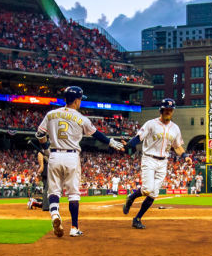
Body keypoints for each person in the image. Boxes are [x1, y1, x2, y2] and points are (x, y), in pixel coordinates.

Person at [36, 86, 124, 237]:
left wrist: (45, 148)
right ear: (77, 100)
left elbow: (39, 134)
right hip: (71, 156)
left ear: (65, 99)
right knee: (73, 194)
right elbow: (96, 134)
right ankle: (74, 228)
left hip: (54, 155)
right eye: (80, 100)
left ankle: (55, 214)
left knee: (54, 191)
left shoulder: (50, 114)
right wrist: (111, 142)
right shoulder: (82, 118)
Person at [122, 98, 185, 229]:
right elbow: (139, 137)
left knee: (154, 194)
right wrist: (129, 145)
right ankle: (131, 198)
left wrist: (185, 156)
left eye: (170, 110)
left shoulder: (175, 128)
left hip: (163, 162)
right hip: (149, 159)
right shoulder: (151, 124)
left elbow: (177, 146)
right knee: (147, 189)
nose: (168, 112)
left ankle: (137, 218)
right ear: (161, 110)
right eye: (166, 109)